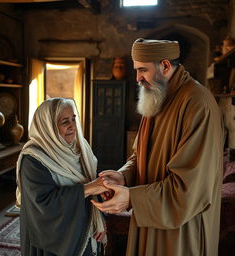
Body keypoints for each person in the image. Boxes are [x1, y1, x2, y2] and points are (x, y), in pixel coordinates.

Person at [92, 38, 224, 256]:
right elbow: (140, 155)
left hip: (180, 229)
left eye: (143, 69)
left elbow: (189, 187)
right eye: (136, 70)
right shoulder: (157, 94)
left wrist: (132, 197)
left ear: (164, 65)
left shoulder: (198, 103)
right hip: (149, 216)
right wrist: (123, 176)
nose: (137, 78)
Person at [16, 98, 107, 256]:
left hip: (85, 228)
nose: (73, 126)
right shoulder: (33, 160)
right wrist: (90, 188)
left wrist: (100, 220)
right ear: (48, 127)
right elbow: (43, 204)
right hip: (55, 241)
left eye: (73, 119)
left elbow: (93, 185)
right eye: (65, 122)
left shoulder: (81, 148)